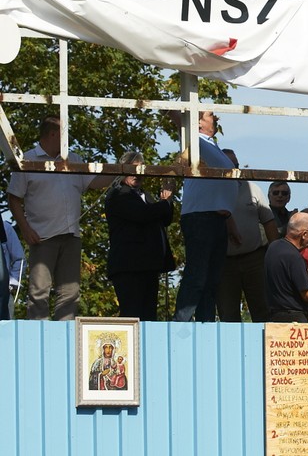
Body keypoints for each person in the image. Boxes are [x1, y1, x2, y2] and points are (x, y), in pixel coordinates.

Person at [7, 116, 108, 320]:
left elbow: (95, 182)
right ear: (53, 134)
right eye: (65, 134)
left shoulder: (74, 159)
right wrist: (25, 229)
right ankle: (38, 338)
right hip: (42, 236)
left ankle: (66, 338)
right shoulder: (27, 160)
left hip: (71, 236)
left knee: (70, 293)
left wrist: (120, 170)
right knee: (39, 292)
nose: (68, 140)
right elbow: (13, 198)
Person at [173, 111, 239, 322]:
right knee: (198, 277)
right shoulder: (196, 142)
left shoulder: (211, 145)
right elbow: (177, 118)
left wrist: (230, 224)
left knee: (211, 281)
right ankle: (179, 325)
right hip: (201, 218)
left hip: (215, 220)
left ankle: (205, 326)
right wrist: (183, 115)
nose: (217, 116)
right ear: (199, 122)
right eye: (211, 114)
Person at [104, 150, 175, 320]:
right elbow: (142, 214)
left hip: (148, 266)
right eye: (133, 169)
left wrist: (167, 202)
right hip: (129, 266)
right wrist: (164, 203)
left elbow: (165, 219)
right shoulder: (118, 194)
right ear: (123, 170)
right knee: (132, 315)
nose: (137, 175)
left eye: (141, 170)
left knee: (149, 316)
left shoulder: (146, 196)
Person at [216, 149, 279, 322]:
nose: (234, 169)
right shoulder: (212, 190)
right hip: (224, 262)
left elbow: (269, 222)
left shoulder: (252, 188)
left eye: (236, 165)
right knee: (228, 314)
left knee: (264, 310)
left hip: (255, 259)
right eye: (229, 165)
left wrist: (275, 255)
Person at [265, 212, 308, 323]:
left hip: (274, 316)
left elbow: (286, 280)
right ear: (304, 234)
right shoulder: (294, 256)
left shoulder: (274, 247)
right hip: (293, 320)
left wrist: (307, 274)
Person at [0, 218, 26, 320]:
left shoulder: (5, 227)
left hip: (3, 294)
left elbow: (20, 259)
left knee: (5, 332)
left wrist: (10, 282)